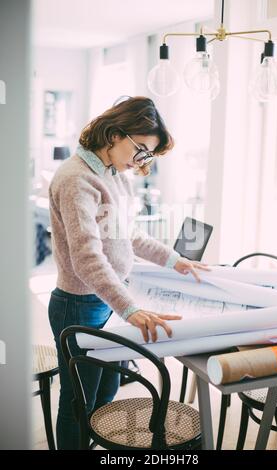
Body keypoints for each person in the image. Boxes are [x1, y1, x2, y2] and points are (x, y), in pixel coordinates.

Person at [48, 96, 209, 449]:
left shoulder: (113, 175)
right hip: (80, 305)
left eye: (147, 155)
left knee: (104, 395)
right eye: (141, 150)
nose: (141, 161)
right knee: (78, 404)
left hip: (108, 301)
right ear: (115, 134)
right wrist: (130, 309)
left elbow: (128, 234)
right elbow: (86, 259)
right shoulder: (77, 179)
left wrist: (173, 259)